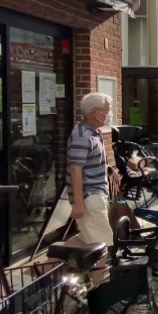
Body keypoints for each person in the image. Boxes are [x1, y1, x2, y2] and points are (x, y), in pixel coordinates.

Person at [67, 93, 114, 246]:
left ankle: (45, 267)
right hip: (90, 197)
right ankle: (100, 271)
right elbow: (75, 170)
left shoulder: (94, 133)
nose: (109, 114)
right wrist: (78, 203)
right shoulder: (82, 136)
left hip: (95, 195)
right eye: (107, 110)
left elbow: (88, 163)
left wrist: (108, 169)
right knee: (101, 247)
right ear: (95, 112)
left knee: (85, 240)